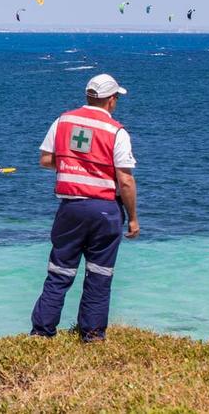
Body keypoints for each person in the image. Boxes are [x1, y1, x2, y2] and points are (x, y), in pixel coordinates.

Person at [30, 73, 139, 342]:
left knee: (59, 272)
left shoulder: (63, 120)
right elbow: (125, 179)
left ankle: (41, 334)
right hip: (104, 209)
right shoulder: (116, 131)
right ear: (111, 100)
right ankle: (91, 336)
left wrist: (74, 165)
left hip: (70, 209)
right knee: (99, 274)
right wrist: (133, 218)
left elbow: (45, 160)